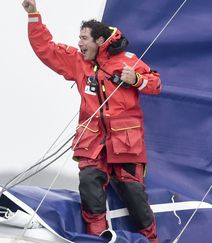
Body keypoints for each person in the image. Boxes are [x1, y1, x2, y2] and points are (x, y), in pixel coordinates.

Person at [22, 0, 161, 242]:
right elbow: (45, 48)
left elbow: (156, 83)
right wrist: (33, 15)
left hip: (126, 143)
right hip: (92, 141)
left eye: (84, 38)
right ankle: (97, 238)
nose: (79, 43)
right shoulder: (77, 62)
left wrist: (137, 79)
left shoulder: (128, 61)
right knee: (89, 186)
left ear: (99, 41)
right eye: (79, 38)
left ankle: (150, 239)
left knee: (133, 193)